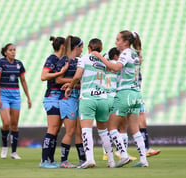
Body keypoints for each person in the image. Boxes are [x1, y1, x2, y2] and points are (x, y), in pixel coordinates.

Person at [65, 38, 130, 169]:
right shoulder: (104, 60)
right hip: (103, 98)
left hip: (88, 98)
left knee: (86, 129)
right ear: (100, 48)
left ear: (89, 48)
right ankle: (111, 161)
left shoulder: (84, 58)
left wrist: (70, 87)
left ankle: (90, 159)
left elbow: (77, 76)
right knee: (103, 131)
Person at [91, 30, 149, 167]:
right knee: (135, 129)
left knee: (111, 127)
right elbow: (122, 70)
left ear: (125, 42)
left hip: (125, 93)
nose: (116, 42)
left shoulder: (126, 53)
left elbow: (117, 67)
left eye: (118, 40)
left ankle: (123, 155)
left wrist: (100, 57)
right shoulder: (135, 54)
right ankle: (143, 160)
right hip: (136, 94)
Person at [0, 43, 32, 159]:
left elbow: (23, 81)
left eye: (14, 50)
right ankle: (5, 147)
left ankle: (14, 152)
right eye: (10, 50)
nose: (13, 52)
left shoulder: (19, 64)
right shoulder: (1, 63)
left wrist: (28, 97)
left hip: (15, 96)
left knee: (14, 125)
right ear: (5, 52)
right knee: (6, 123)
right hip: (4, 96)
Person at [55, 35, 86, 168]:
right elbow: (58, 80)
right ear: (77, 47)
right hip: (67, 98)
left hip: (78, 97)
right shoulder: (64, 60)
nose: (82, 51)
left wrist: (74, 85)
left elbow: (80, 82)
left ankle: (83, 160)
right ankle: (63, 161)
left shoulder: (79, 61)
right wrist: (72, 84)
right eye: (81, 48)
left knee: (80, 131)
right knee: (70, 131)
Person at [102, 47, 137, 161]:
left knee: (106, 128)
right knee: (122, 127)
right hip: (115, 97)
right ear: (117, 56)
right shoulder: (117, 66)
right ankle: (122, 152)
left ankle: (107, 153)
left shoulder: (103, 65)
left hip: (103, 97)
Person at [39, 36, 69, 168]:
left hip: (58, 96)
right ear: (63, 46)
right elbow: (43, 76)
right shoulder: (52, 59)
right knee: (52, 128)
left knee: (56, 130)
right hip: (52, 96)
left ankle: (50, 159)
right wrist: (60, 73)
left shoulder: (61, 59)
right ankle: (44, 160)